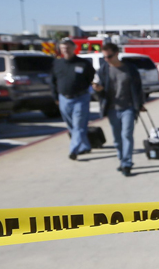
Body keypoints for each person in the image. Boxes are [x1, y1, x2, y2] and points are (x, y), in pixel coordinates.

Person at [93, 42, 144, 177]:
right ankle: (122, 160)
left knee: (126, 135)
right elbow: (98, 87)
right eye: (104, 57)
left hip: (128, 107)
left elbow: (138, 88)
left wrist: (140, 104)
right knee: (117, 139)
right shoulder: (103, 70)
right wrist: (98, 89)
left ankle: (127, 164)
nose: (106, 59)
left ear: (117, 54)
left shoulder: (130, 69)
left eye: (109, 56)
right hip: (112, 109)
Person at [50, 38, 95, 160]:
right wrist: (56, 97)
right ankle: (85, 146)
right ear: (60, 49)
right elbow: (53, 82)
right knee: (72, 126)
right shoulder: (56, 63)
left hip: (80, 98)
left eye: (69, 47)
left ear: (74, 48)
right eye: (63, 47)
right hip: (64, 98)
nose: (66, 49)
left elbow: (91, 77)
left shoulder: (83, 63)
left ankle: (74, 150)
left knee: (79, 125)